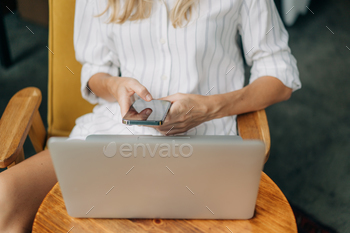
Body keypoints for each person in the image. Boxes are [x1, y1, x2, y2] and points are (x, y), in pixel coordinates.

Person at [0, 0, 301, 232]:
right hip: (115, 137)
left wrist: (209, 107)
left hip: (206, 144)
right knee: (6, 196)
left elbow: (280, 75)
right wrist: (115, 85)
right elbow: (94, 71)